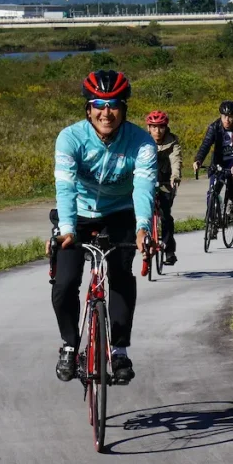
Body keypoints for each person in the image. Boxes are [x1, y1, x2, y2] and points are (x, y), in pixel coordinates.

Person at [50, 69, 157, 384]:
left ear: (124, 108)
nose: (105, 112)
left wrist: (142, 228)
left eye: (113, 104)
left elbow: (144, 187)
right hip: (77, 216)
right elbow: (66, 187)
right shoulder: (70, 138)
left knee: (121, 274)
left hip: (120, 212)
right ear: (88, 108)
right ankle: (70, 345)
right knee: (66, 283)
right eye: (98, 103)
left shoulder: (140, 142)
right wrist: (67, 228)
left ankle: (120, 349)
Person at [193, 100, 233, 227]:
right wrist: (198, 160)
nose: (227, 120)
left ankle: (232, 204)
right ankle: (212, 218)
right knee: (212, 191)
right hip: (218, 162)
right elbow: (206, 145)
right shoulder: (214, 127)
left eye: (230, 117)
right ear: (220, 116)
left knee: (231, 186)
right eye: (224, 116)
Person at [145, 110, 181, 265]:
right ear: (148, 128)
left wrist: (175, 177)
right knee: (139, 213)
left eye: (160, 127)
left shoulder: (172, 142)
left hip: (166, 182)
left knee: (166, 215)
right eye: (153, 127)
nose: (157, 131)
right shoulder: (143, 141)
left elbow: (176, 160)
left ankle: (169, 251)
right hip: (146, 181)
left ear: (166, 128)